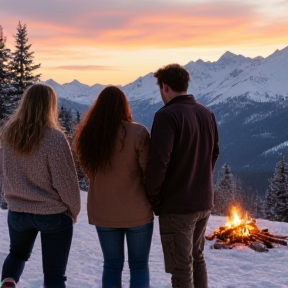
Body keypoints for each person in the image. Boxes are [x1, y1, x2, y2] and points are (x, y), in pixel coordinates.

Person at [145, 64, 219, 288]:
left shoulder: (166, 116)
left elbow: (159, 163)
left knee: (181, 266)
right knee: (197, 259)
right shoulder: (207, 113)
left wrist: (154, 197)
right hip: (204, 202)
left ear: (165, 87)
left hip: (178, 206)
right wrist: (200, 179)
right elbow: (214, 152)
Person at [0, 84, 81, 288]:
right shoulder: (54, 138)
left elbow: (5, 172)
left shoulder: (9, 134)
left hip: (18, 212)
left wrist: (11, 198)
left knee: (16, 254)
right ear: (50, 106)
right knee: (54, 273)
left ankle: (8, 282)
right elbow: (66, 182)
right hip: (52, 214)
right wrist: (73, 210)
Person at [74, 86, 153, 288]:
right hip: (137, 211)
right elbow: (149, 172)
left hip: (103, 210)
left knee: (111, 265)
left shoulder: (88, 136)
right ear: (124, 106)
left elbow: (89, 171)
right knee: (139, 266)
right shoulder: (138, 133)